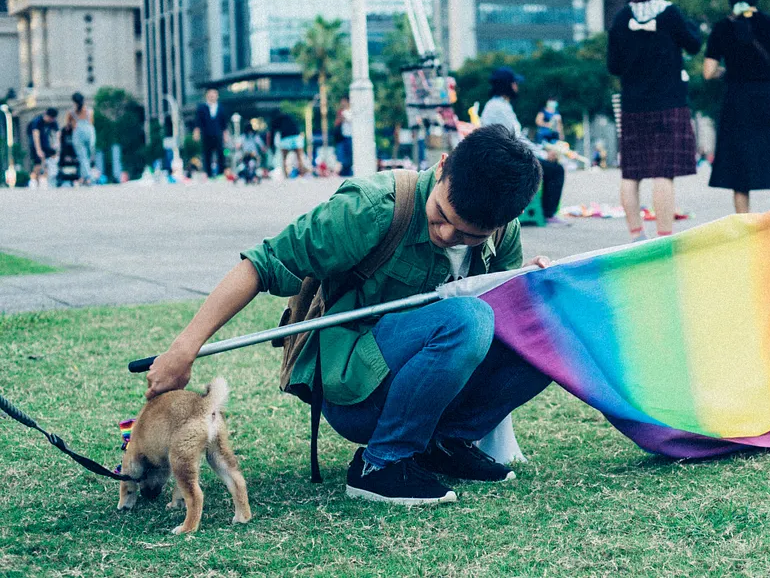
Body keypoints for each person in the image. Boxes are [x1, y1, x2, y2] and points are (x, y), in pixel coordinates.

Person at [145, 125, 551, 505]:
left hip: (435, 382)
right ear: (442, 167)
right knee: (469, 319)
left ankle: (441, 445)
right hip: (358, 393)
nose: (446, 236)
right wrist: (184, 349)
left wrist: (528, 288)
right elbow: (261, 264)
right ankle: (381, 465)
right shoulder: (371, 208)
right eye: (442, 216)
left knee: (552, 325)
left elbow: (505, 315)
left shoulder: (503, 231)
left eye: (467, 236)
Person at [607, 0, 703, 239]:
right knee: (664, 172)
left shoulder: (622, 17)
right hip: (668, 101)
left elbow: (613, 65)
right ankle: (663, 236)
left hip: (633, 104)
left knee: (631, 172)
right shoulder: (670, 12)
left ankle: (636, 234)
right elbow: (693, 44)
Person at [702, 0, 770, 213]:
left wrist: (729, 72)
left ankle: (746, 233)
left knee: (740, 176)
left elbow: (708, 71)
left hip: (736, 100)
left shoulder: (722, 28)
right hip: (766, 98)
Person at [480, 67, 568, 226]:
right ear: (507, 85)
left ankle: (546, 212)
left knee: (550, 167)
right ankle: (549, 214)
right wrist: (542, 154)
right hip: (505, 159)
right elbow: (517, 138)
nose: (517, 87)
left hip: (503, 155)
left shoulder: (497, 105)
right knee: (555, 169)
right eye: (514, 83)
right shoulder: (499, 108)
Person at [195, 88, 229, 178]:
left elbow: (224, 123)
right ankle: (208, 174)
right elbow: (198, 121)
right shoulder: (202, 107)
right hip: (206, 134)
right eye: (210, 94)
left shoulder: (221, 108)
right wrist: (197, 132)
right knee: (207, 154)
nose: (212, 96)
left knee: (220, 153)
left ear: (217, 96)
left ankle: (221, 173)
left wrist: (225, 135)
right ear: (207, 96)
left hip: (218, 134)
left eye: (214, 94)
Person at [66, 92, 97, 185]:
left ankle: (87, 177)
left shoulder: (71, 113)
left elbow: (67, 126)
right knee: (88, 156)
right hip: (89, 133)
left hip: (78, 134)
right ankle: (85, 177)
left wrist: (73, 124)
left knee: (82, 157)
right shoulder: (89, 111)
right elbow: (91, 122)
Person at [269, 110, 309, 178]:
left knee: (284, 158)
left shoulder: (275, 120)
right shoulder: (289, 116)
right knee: (299, 157)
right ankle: (302, 174)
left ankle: (286, 176)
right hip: (296, 137)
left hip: (285, 138)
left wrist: (272, 147)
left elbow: (272, 134)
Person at [26, 107, 59, 187]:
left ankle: (48, 181)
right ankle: (36, 182)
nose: (51, 121)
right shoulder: (37, 121)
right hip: (35, 143)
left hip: (45, 143)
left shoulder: (53, 122)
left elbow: (57, 133)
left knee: (49, 161)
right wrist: (38, 150)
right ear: (47, 116)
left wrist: (56, 145)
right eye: (50, 118)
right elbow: (35, 135)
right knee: (37, 163)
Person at [334, 98, 353, 177]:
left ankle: (347, 170)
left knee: (349, 156)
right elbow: (336, 123)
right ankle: (344, 171)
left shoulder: (351, 112)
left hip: (350, 137)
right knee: (343, 155)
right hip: (343, 137)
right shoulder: (341, 112)